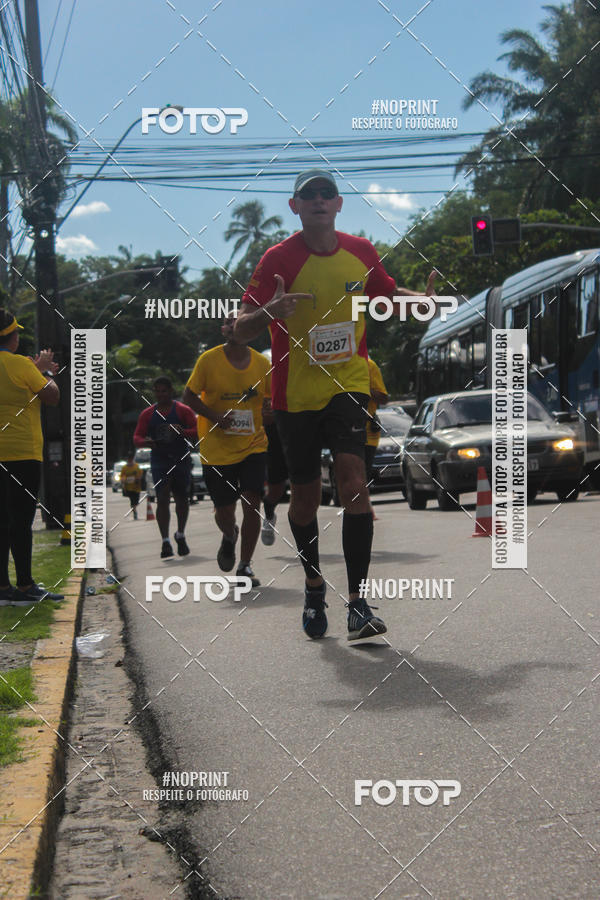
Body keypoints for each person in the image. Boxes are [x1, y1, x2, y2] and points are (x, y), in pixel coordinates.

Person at [234, 169, 438, 641]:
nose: (320, 200)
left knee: (353, 484)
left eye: (327, 193)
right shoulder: (277, 258)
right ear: (296, 207)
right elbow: (241, 327)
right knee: (304, 500)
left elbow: (388, 298)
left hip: (348, 384)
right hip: (295, 396)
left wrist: (422, 304)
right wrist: (269, 313)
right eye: (310, 195)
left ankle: (358, 603)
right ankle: (312, 584)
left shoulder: (361, 252)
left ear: (339, 204)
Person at [182, 316, 270, 587]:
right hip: (217, 448)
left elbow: (269, 402)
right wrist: (215, 416)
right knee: (224, 511)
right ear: (226, 330)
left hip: (254, 444)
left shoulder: (263, 364)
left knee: (252, 502)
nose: (239, 327)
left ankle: (244, 566)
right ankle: (230, 534)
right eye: (233, 323)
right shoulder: (208, 360)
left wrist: (270, 412)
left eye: (245, 323)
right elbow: (188, 396)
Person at [0, 308, 65, 607]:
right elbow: (51, 396)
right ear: (12, 337)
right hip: (21, 453)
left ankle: (3, 588)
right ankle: (25, 586)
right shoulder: (19, 365)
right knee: (21, 521)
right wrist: (44, 371)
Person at [133, 376, 196, 558]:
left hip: (180, 458)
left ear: (171, 392)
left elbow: (198, 430)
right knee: (162, 497)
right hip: (160, 459)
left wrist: (182, 431)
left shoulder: (183, 411)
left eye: (164, 391)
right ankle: (165, 541)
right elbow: (137, 437)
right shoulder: (147, 414)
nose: (161, 394)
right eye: (157, 391)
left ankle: (180, 534)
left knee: (182, 497)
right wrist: (146, 442)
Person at [365, 356, 389, 518]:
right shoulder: (332, 363)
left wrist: (362, 388)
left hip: (367, 432)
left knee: (361, 472)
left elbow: (384, 397)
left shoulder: (369, 365)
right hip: (342, 428)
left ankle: (364, 510)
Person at [120, 452, 143, 519]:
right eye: (128, 459)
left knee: (136, 501)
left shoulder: (136, 466)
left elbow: (140, 474)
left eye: (131, 458)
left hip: (136, 487)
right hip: (129, 488)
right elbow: (122, 476)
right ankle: (135, 512)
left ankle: (134, 508)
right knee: (132, 501)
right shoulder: (124, 468)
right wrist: (123, 480)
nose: (129, 460)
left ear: (132, 459)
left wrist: (138, 478)